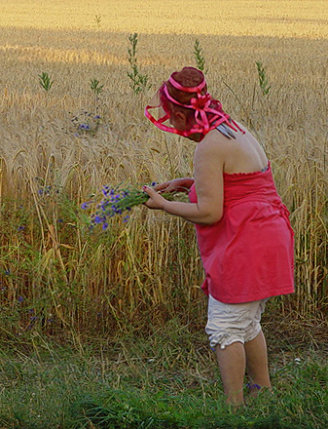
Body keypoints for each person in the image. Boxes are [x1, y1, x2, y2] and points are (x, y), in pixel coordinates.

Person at [142, 67, 294, 406]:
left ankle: (234, 408)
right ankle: (262, 390)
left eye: (171, 117)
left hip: (246, 246)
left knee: (225, 327)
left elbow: (211, 212)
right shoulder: (232, 128)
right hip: (268, 237)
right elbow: (241, 183)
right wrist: (186, 184)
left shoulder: (209, 146)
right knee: (248, 323)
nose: (172, 124)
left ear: (180, 113)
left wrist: (164, 204)